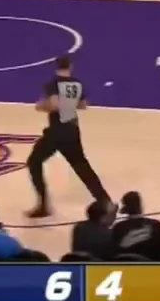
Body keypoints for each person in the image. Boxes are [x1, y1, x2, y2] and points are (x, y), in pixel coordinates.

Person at [25, 55, 115, 219]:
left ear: (56, 66)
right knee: (82, 166)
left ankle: (44, 205)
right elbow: (83, 105)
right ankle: (105, 201)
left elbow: (53, 104)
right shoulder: (76, 83)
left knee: (34, 162)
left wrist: (41, 106)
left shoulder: (53, 84)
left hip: (57, 131)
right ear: (70, 66)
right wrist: (68, 104)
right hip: (72, 130)